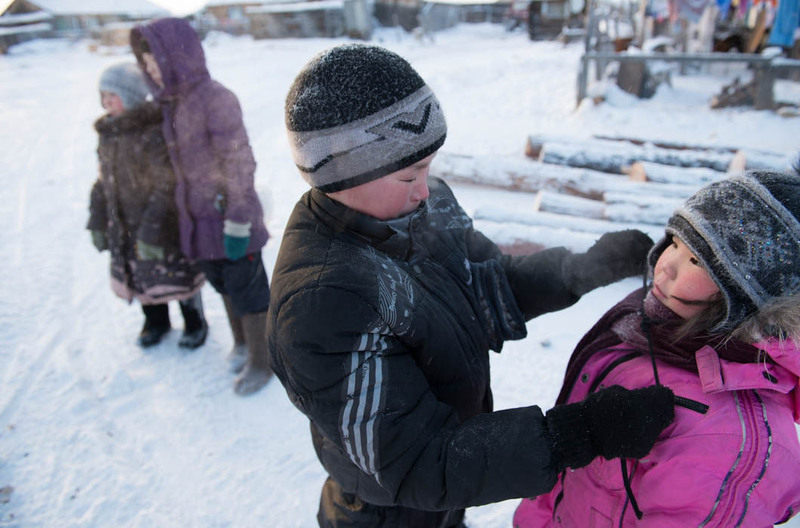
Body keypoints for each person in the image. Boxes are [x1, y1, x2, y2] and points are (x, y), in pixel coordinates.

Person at [268, 43, 676, 528]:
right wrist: (577, 433)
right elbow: (421, 461)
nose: (425, 187)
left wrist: (579, 270)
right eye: (408, 174)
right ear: (339, 173)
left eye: (428, 167)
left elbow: (483, 284)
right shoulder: (324, 299)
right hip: (389, 513)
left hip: (449, 495)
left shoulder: (421, 207)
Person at [514, 168, 800, 527]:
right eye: (676, 243)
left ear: (746, 297)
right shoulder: (652, 327)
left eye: (696, 261)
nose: (664, 268)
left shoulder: (730, 441)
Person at [130, 18, 272, 396]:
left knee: (250, 292)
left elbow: (240, 162)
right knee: (223, 285)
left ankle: (263, 359)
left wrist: (239, 220)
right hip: (196, 221)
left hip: (232, 219)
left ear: (176, 57)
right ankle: (242, 343)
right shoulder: (169, 106)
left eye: (156, 63)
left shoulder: (217, 99)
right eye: (147, 67)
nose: (152, 72)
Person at [87, 62, 208, 349]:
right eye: (103, 96)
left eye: (112, 96)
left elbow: (165, 184)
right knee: (139, 274)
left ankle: (194, 320)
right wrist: (97, 221)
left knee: (174, 273)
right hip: (125, 222)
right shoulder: (107, 133)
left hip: (159, 221)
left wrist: (151, 230)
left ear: (130, 96)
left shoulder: (151, 129)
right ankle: (156, 321)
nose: (106, 103)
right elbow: (103, 181)